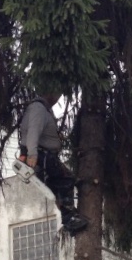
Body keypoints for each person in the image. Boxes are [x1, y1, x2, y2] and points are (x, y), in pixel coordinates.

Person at [19, 92, 88, 235]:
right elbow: (33, 132)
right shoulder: (38, 108)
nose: (57, 99)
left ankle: (68, 216)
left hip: (43, 155)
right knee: (66, 179)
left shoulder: (42, 109)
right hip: (42, 156)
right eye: (56, 95)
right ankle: (70, 219)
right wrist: (32, 155)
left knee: (57, 187)